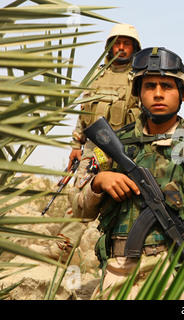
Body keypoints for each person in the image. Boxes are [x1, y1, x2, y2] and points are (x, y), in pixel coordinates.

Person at [72, 47, 184, 299]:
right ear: (138, 93)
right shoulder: (112, 146)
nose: (158, 94)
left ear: (182, 94)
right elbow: (78, 210)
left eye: (167, 86)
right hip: (117, 274)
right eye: (150, 86)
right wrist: (98, 182)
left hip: (174, 274)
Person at [31, 23, 141, 262]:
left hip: (126, 150)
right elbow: (84, 114)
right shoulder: (97, 75)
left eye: (126, 43)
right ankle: (62, 250)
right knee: (80, 197)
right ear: (109, 47)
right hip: (94, 149)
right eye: (116, 43)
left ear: (134, 47)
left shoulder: (140, 77)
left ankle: (124, 259)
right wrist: (75, 145)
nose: (121, 48)